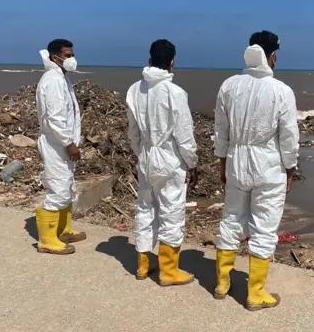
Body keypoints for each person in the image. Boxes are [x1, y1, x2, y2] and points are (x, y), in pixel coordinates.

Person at [213, 30, 299, 310]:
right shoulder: (281, 91)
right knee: (264, 226)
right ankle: (256, 292)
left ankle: (222, 282)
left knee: (231, 219)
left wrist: (223, 162)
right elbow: (288, 137)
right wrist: (290, 168)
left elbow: (221, 131)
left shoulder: (228, 86)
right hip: (268, 164)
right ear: (273, 55)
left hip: (237, 159)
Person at [126, 39, 199, 285]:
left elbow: (133, 132)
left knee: (145, 208)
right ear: (172, 61)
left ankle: (143, 264)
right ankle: (169, 270)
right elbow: (184, 135)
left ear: (149, 60)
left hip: (146, 156)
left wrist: (141, 154)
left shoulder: (135, 90)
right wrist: (191, 162)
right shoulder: (175, 93)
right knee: (172, 212)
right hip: (168, 159)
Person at [34, 38, 86, 255]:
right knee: (58, 189)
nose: (71, 59)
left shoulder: (62, 78)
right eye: (67, 55)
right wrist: (69, 143)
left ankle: (64, 230)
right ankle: (47, 240)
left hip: (62, 143)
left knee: (67, 186)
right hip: (57, 144)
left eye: (72, 54)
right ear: (55, 56)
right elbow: (55, 118)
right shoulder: (53, 81)